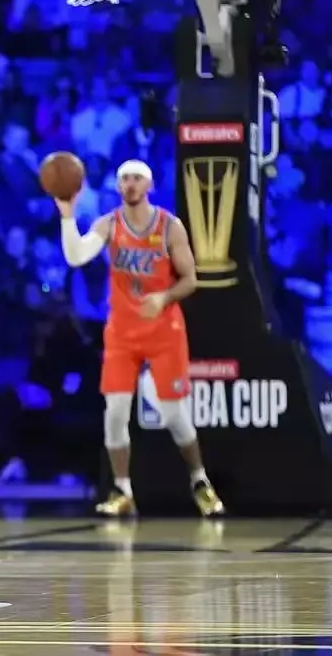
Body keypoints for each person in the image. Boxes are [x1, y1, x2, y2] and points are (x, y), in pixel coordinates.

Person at [57, 159, 225, 517]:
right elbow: (76, 256)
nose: (130, 184)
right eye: (124, 179)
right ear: (119, 187)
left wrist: (164, 297)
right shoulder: (109, 223)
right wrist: (67, 216)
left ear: (148, 185)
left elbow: (190, 279)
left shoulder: (169, 226)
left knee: (174, 414)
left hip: (164, 330)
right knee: (115, 413)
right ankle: (122, 490)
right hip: (122, 331)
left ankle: (200, 480)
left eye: (136, 178)